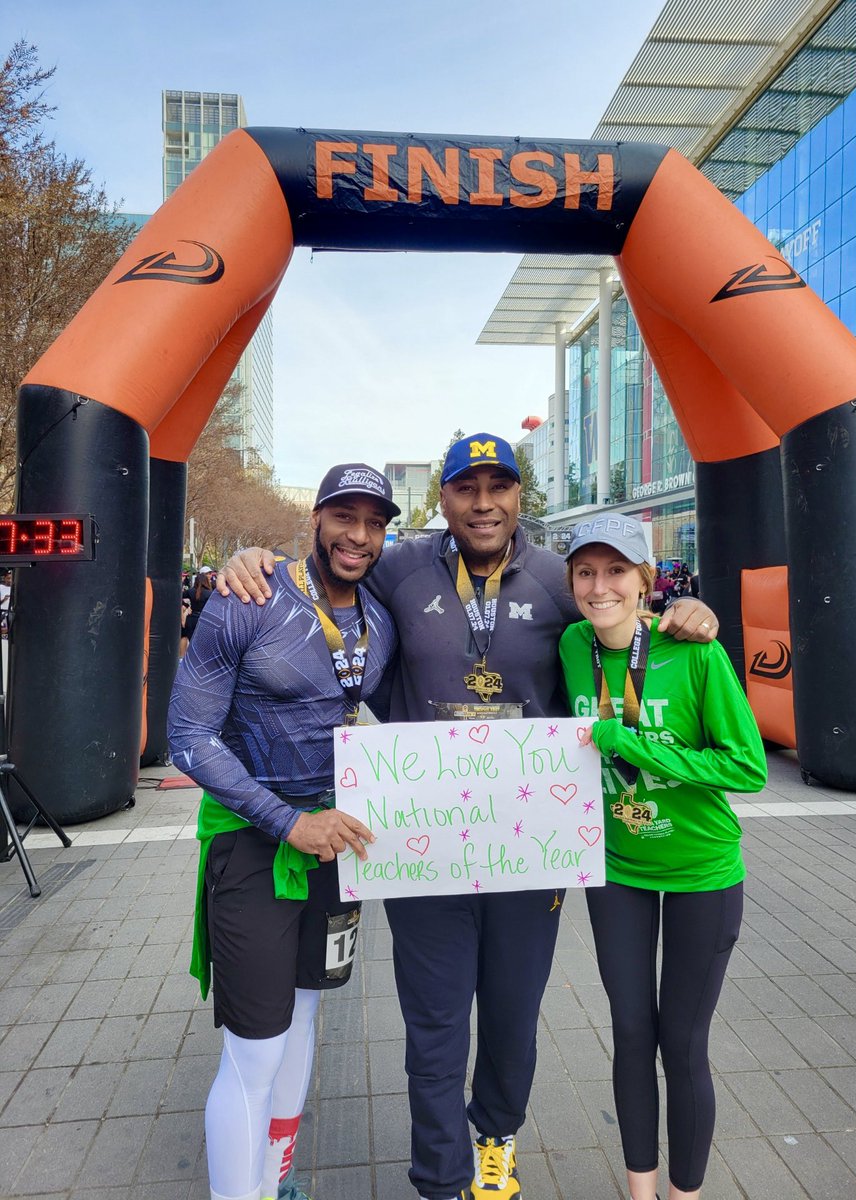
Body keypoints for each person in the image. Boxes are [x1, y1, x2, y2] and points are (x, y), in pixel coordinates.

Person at [219, 433, 719, 1200]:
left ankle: (497, 1142)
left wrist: (685, 609)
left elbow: (625, 622)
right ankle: (440, 1175)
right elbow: (326, 566)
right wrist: (251, 555)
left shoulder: (559, 579)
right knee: (435, 1022)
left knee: (514, 1018)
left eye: (498, 487)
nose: (482, 504)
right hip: (426, 845)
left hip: (533, 846)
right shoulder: (400, 564)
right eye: (465, 489)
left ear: (520, 496)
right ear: (444, 499)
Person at [168, 463, 401, 1200]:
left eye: (374, 522)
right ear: (317, 520)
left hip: (335, 847)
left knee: (304, 1018)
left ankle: (275, 1182)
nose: (358, 535)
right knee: (255, 1048)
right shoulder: (248, 596)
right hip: (252, 841)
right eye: (344, 516)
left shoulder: (380, 622)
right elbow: (187, 737)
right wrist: (287, 822)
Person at [558, 514, 767, 1200]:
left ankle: (686, 1194)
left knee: (681, 1042)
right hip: (615, 868)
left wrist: (630, 741)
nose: (600, 587)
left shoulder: (695, 652)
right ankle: (641, 1191)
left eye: (616, 571)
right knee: (628, 1030)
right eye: (585, 572)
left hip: (700, 871)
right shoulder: (570, 645)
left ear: (646, 579)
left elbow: (747, 768)